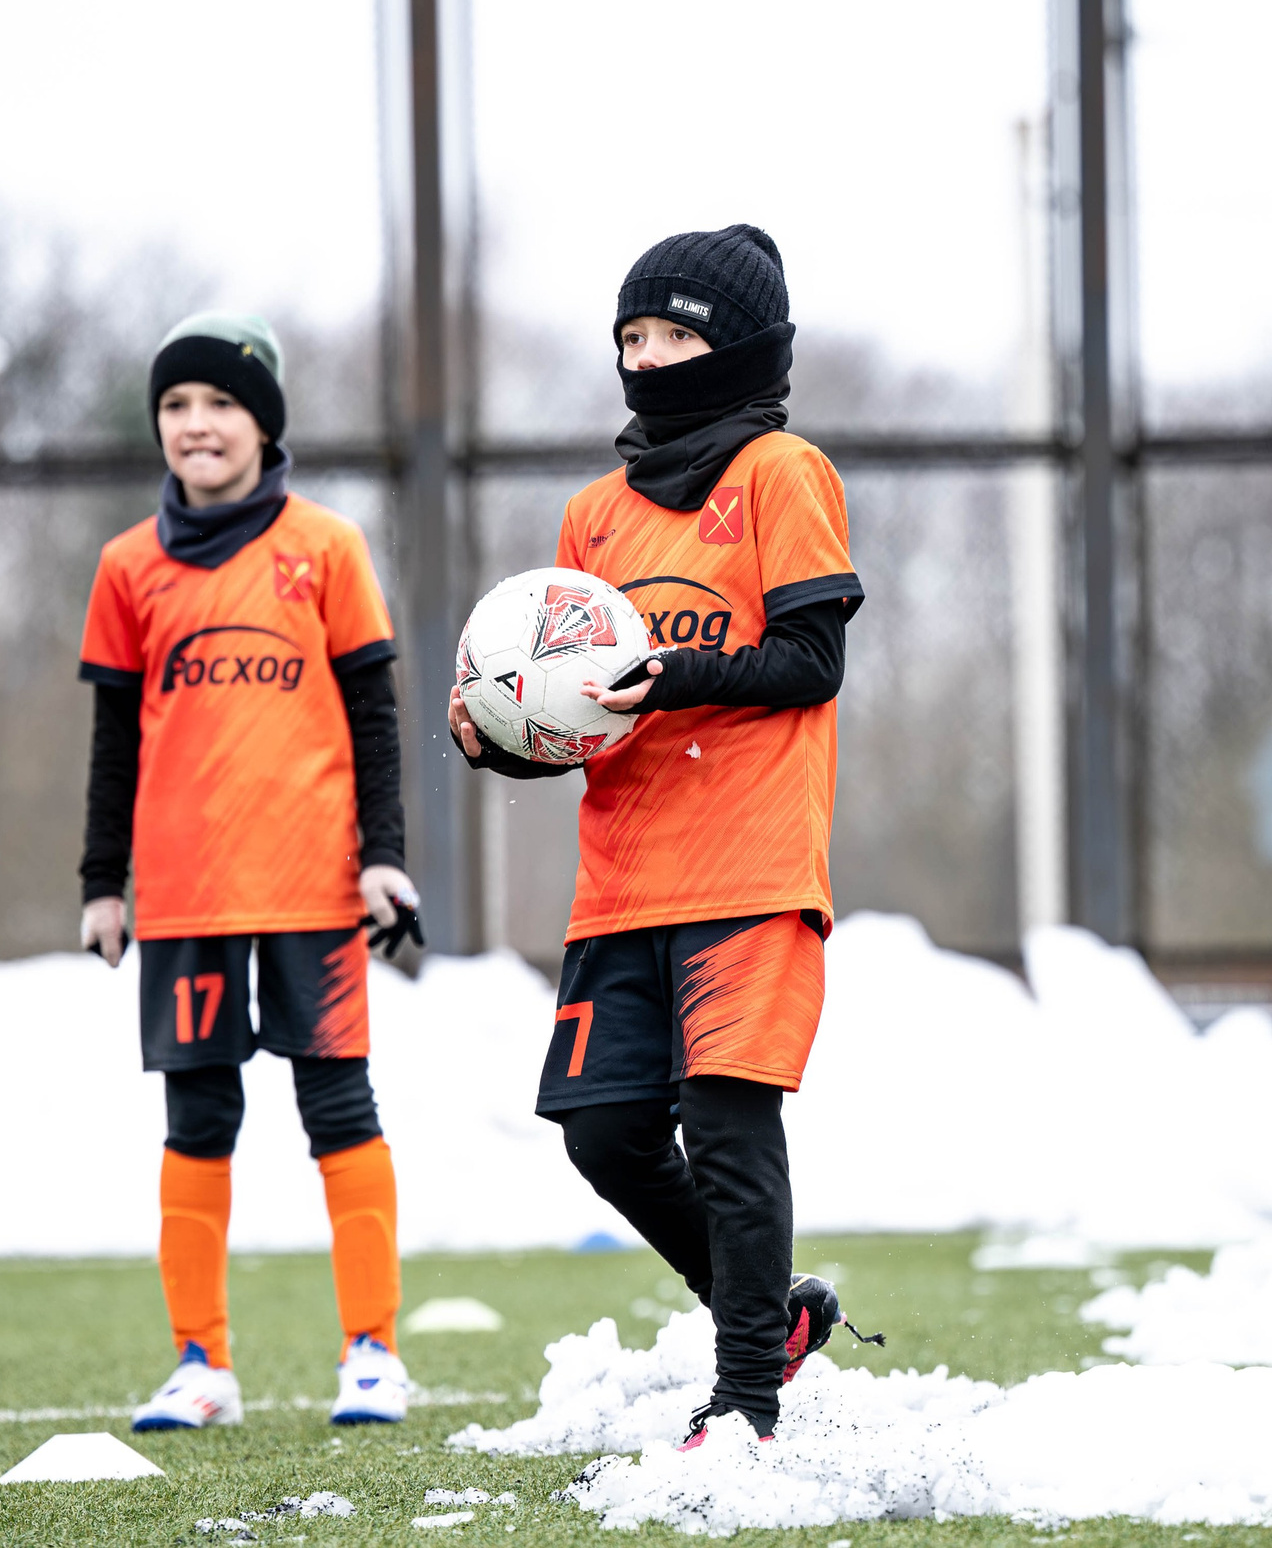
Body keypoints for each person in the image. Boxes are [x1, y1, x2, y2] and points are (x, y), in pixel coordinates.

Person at [450, 225, 863, 1448]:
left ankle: (743, 1397)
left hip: (750, 864)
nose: (649, 355)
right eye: (631, 336)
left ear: (738, 348)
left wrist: (669, 671)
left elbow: (810, 659)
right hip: (624, 879)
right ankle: (770, 1314)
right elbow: (581, 711)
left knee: (728, 1126)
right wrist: (505, 730)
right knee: (603, 1131)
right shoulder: (593, 512)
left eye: (675, 333)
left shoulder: (784, 472)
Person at [77, 311, 423, 1432]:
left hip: (313, 888)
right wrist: (102, 879)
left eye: (219, 403)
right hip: (182, 896)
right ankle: (200, 1363)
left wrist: (383, 858)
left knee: (338, 1106)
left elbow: (373, 711)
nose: (196, 424)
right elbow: (115, 738)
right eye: (176, 405)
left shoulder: (325, 547)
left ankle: (371, 1350)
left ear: (262, 423)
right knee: (196, 1119)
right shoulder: (127, 566)